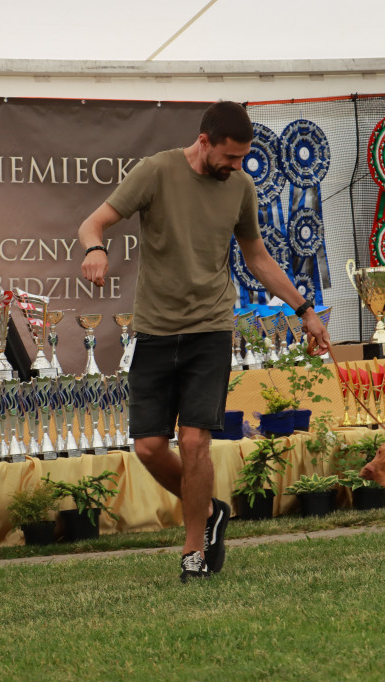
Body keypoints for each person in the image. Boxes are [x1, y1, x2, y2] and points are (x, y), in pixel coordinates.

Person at [79, 101, 330, 583]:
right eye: (230, 157)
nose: (236, 166)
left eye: (242, 158)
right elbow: (93, 223)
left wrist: (305, 311)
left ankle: (194, 550)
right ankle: (210, 510)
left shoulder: (240, 187)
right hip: (154, 328)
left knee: (194, 441)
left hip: (210, 328)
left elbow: (256, 256)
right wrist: (95, 248)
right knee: (150, 447)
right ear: (204, 141)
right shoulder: (156, 172)